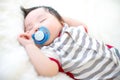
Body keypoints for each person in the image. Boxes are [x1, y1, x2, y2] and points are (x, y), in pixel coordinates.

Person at [18, 6, 120, 80]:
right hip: (103, 76)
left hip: (115, 56)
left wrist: (60, 19)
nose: (36, 27)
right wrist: (30, 45)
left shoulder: (71, 29)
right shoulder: (49, 50)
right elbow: (48, 71)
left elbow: (83, 26)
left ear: (61, 21)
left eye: (42, 20)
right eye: (30, 28)